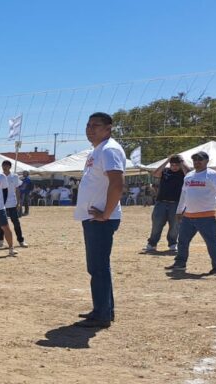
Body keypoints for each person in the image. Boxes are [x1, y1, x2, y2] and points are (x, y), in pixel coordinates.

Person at [75, 112, 124, 328]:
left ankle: (103, 314)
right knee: (97, 266)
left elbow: (117, 183)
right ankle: (103, 309)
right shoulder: (98, 150)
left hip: (101, 219)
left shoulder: (109, 149)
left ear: (109, 128)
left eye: (96, 125)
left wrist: (105, 214)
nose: (90, 129)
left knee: (98, 267)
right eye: (88, 125)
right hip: (94, 217)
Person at [166, 151, 216, 275]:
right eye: (195, 160)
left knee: (211, 241)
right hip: (188, 216)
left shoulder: (212, 175)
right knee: (182, 241)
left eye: (200, 160)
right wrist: (180, 211)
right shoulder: (189, 176)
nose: (197, 162)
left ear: (207, 161)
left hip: (206, 216)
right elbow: (184, 194)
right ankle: (180, 263)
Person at [144, 155, 188, 253]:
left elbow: (189, 174)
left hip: (176, 203)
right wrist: (167, 160)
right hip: (161, 202)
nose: (174, 167)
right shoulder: (165, 171)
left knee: (175, 225)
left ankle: (173, 244)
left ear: (180, 165)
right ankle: (152, 244)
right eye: (172, 165)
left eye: (177, 165)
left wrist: (183, 162)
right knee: (157, 224)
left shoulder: (183, 173)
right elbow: (155, 174)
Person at [0, 160, 27, 248]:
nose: (4, 167)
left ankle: (21, 241)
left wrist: (18, 201)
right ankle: (0, 241)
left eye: (6, 165)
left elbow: (17, 189)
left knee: (16, 223)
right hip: (1, 204)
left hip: (12, 203)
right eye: (3, 165)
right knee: (1, 224)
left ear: (10, 167)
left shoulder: (14, 176)